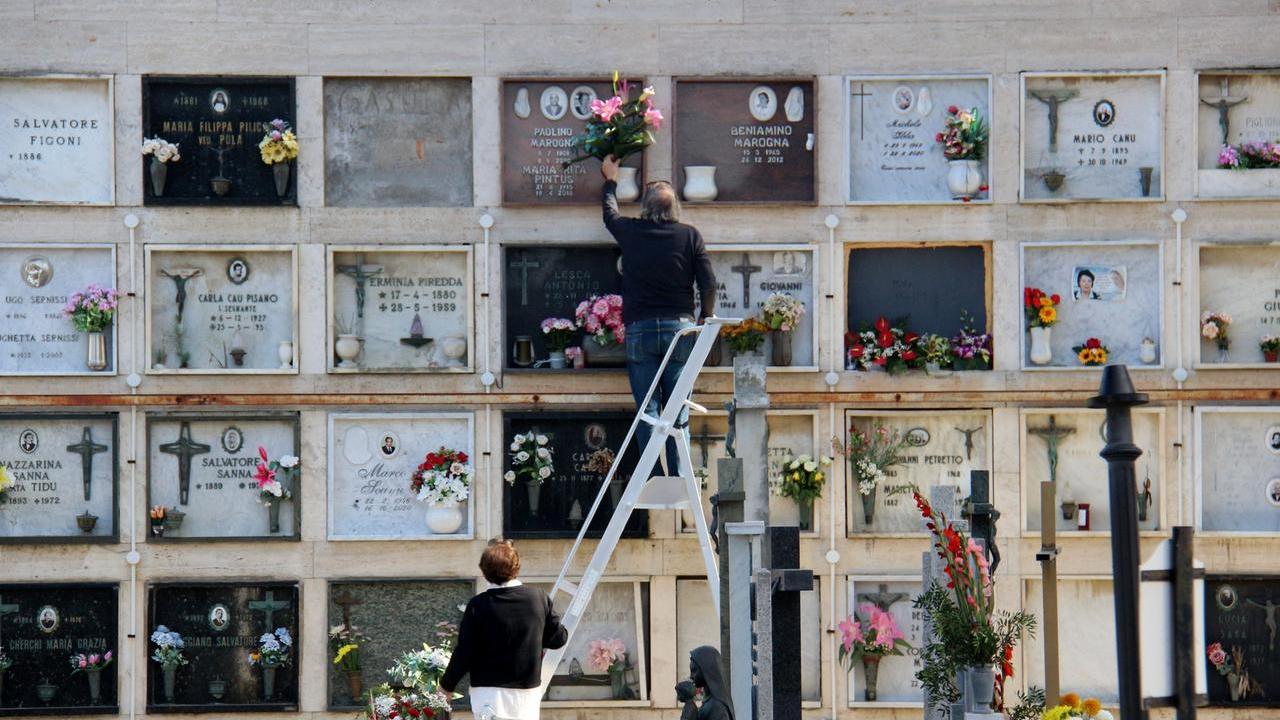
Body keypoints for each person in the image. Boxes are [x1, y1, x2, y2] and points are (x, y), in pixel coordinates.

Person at [601, 155, 716, 476]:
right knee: (677, 410)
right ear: (675, 208)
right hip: (679, 331)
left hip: (640, 332)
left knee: (648, 411)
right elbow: (709, 283)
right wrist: (706, 318)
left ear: (646, 208)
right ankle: (679, 477)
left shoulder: (632, 231)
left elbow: (610, 216)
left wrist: (610, 180)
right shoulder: (690, 236)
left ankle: (651, 477)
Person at [441, 539, 567, 720]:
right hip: (524, 694)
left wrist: (446, 686)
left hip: (487, 693)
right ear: (517, 567)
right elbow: (558, 639)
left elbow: (465, 651)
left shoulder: (478, 605)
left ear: (484, 571)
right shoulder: (538, 598)